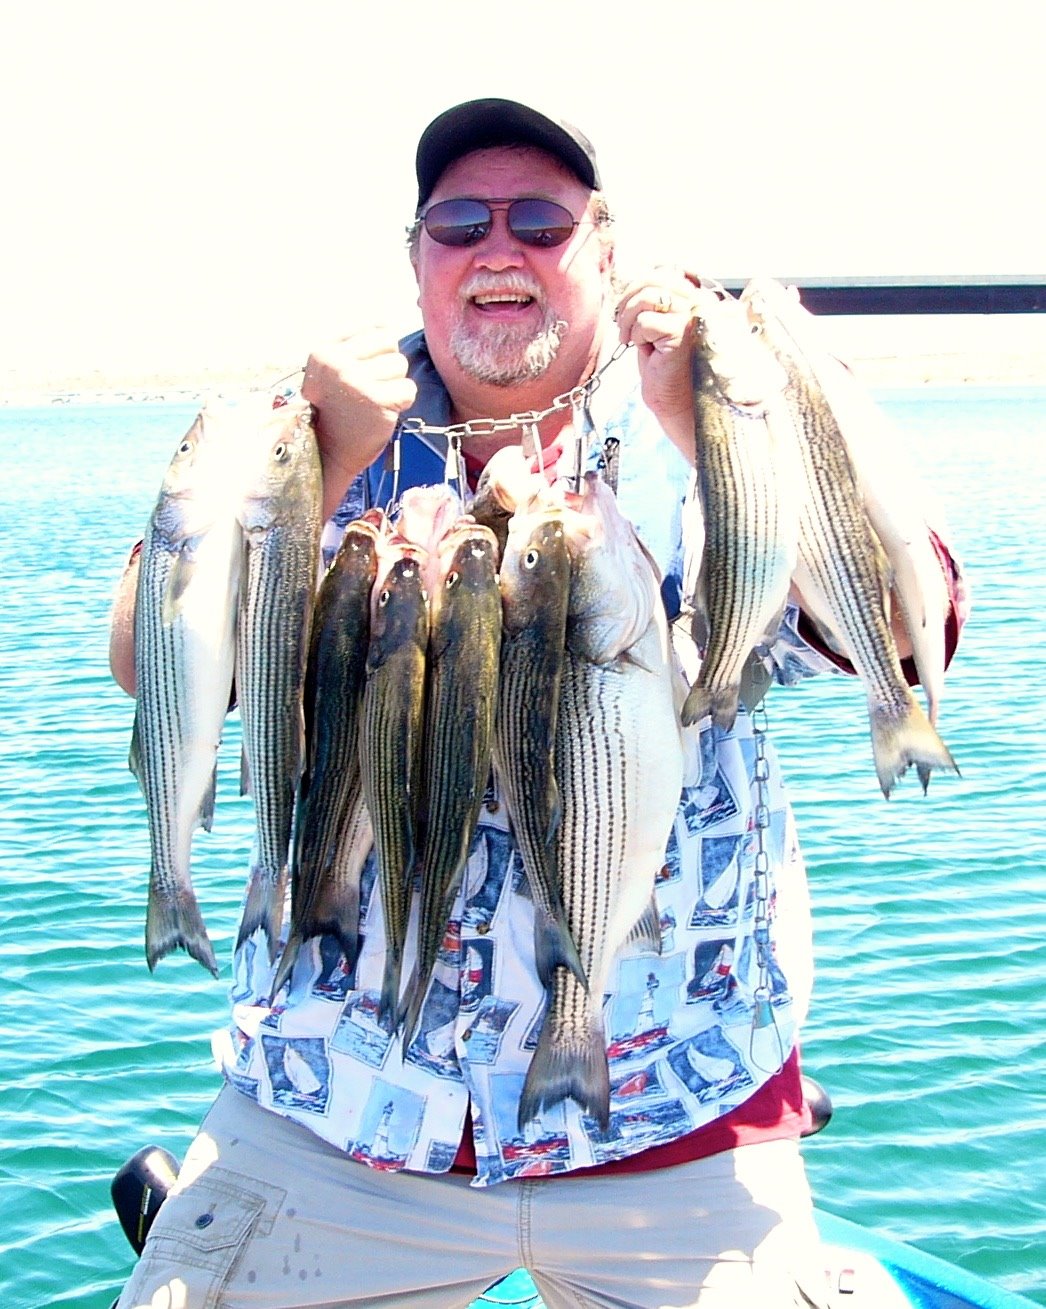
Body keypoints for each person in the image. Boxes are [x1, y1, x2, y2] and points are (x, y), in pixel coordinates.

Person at [109, 97, 966, 1309]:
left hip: (676, 1116)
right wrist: (328, 461)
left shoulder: (703, 402)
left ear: (604, 252)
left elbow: (908, 632)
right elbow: (146, 662)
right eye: (459, 222)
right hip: (331, 1110)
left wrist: (709, 432)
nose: (497, 247)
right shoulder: (311, 421)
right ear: (415, 257)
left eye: (541, 223)